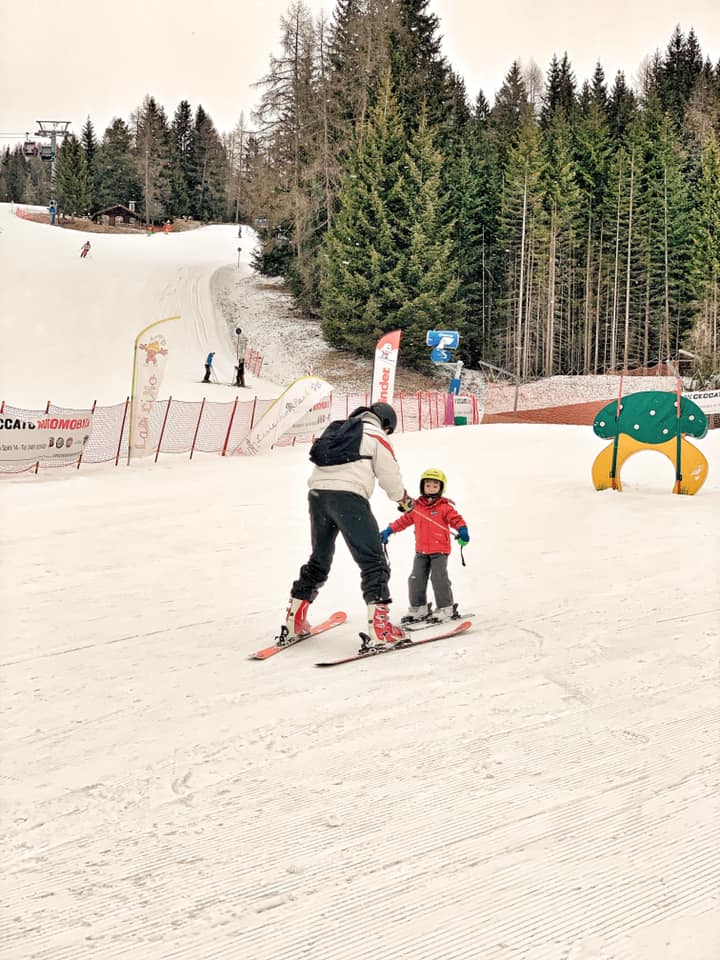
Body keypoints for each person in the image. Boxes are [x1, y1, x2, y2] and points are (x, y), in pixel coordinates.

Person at [284, 402, 415, 648]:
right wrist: (404, 500)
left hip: (318, 495)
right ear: (386, 423)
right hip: (348, 498)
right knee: (373, 561)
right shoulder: (376, 434)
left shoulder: (338, 429)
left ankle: (295, 622)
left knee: (319, 559)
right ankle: (380, 629)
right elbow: (390, 477)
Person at [380, 468, 470, 623]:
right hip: (421, 551)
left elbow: (456, 519)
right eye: (428, 485)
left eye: (435, 486)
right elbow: (403, 521)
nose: (431, 489)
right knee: (415, 578)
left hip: (439, 551)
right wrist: (389, 530)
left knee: (438, 578)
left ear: (441, 488)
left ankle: (445, 608)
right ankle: (419, 608)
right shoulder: (416, 508)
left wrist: (462, 530)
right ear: (422, 487)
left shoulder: (444, 507)